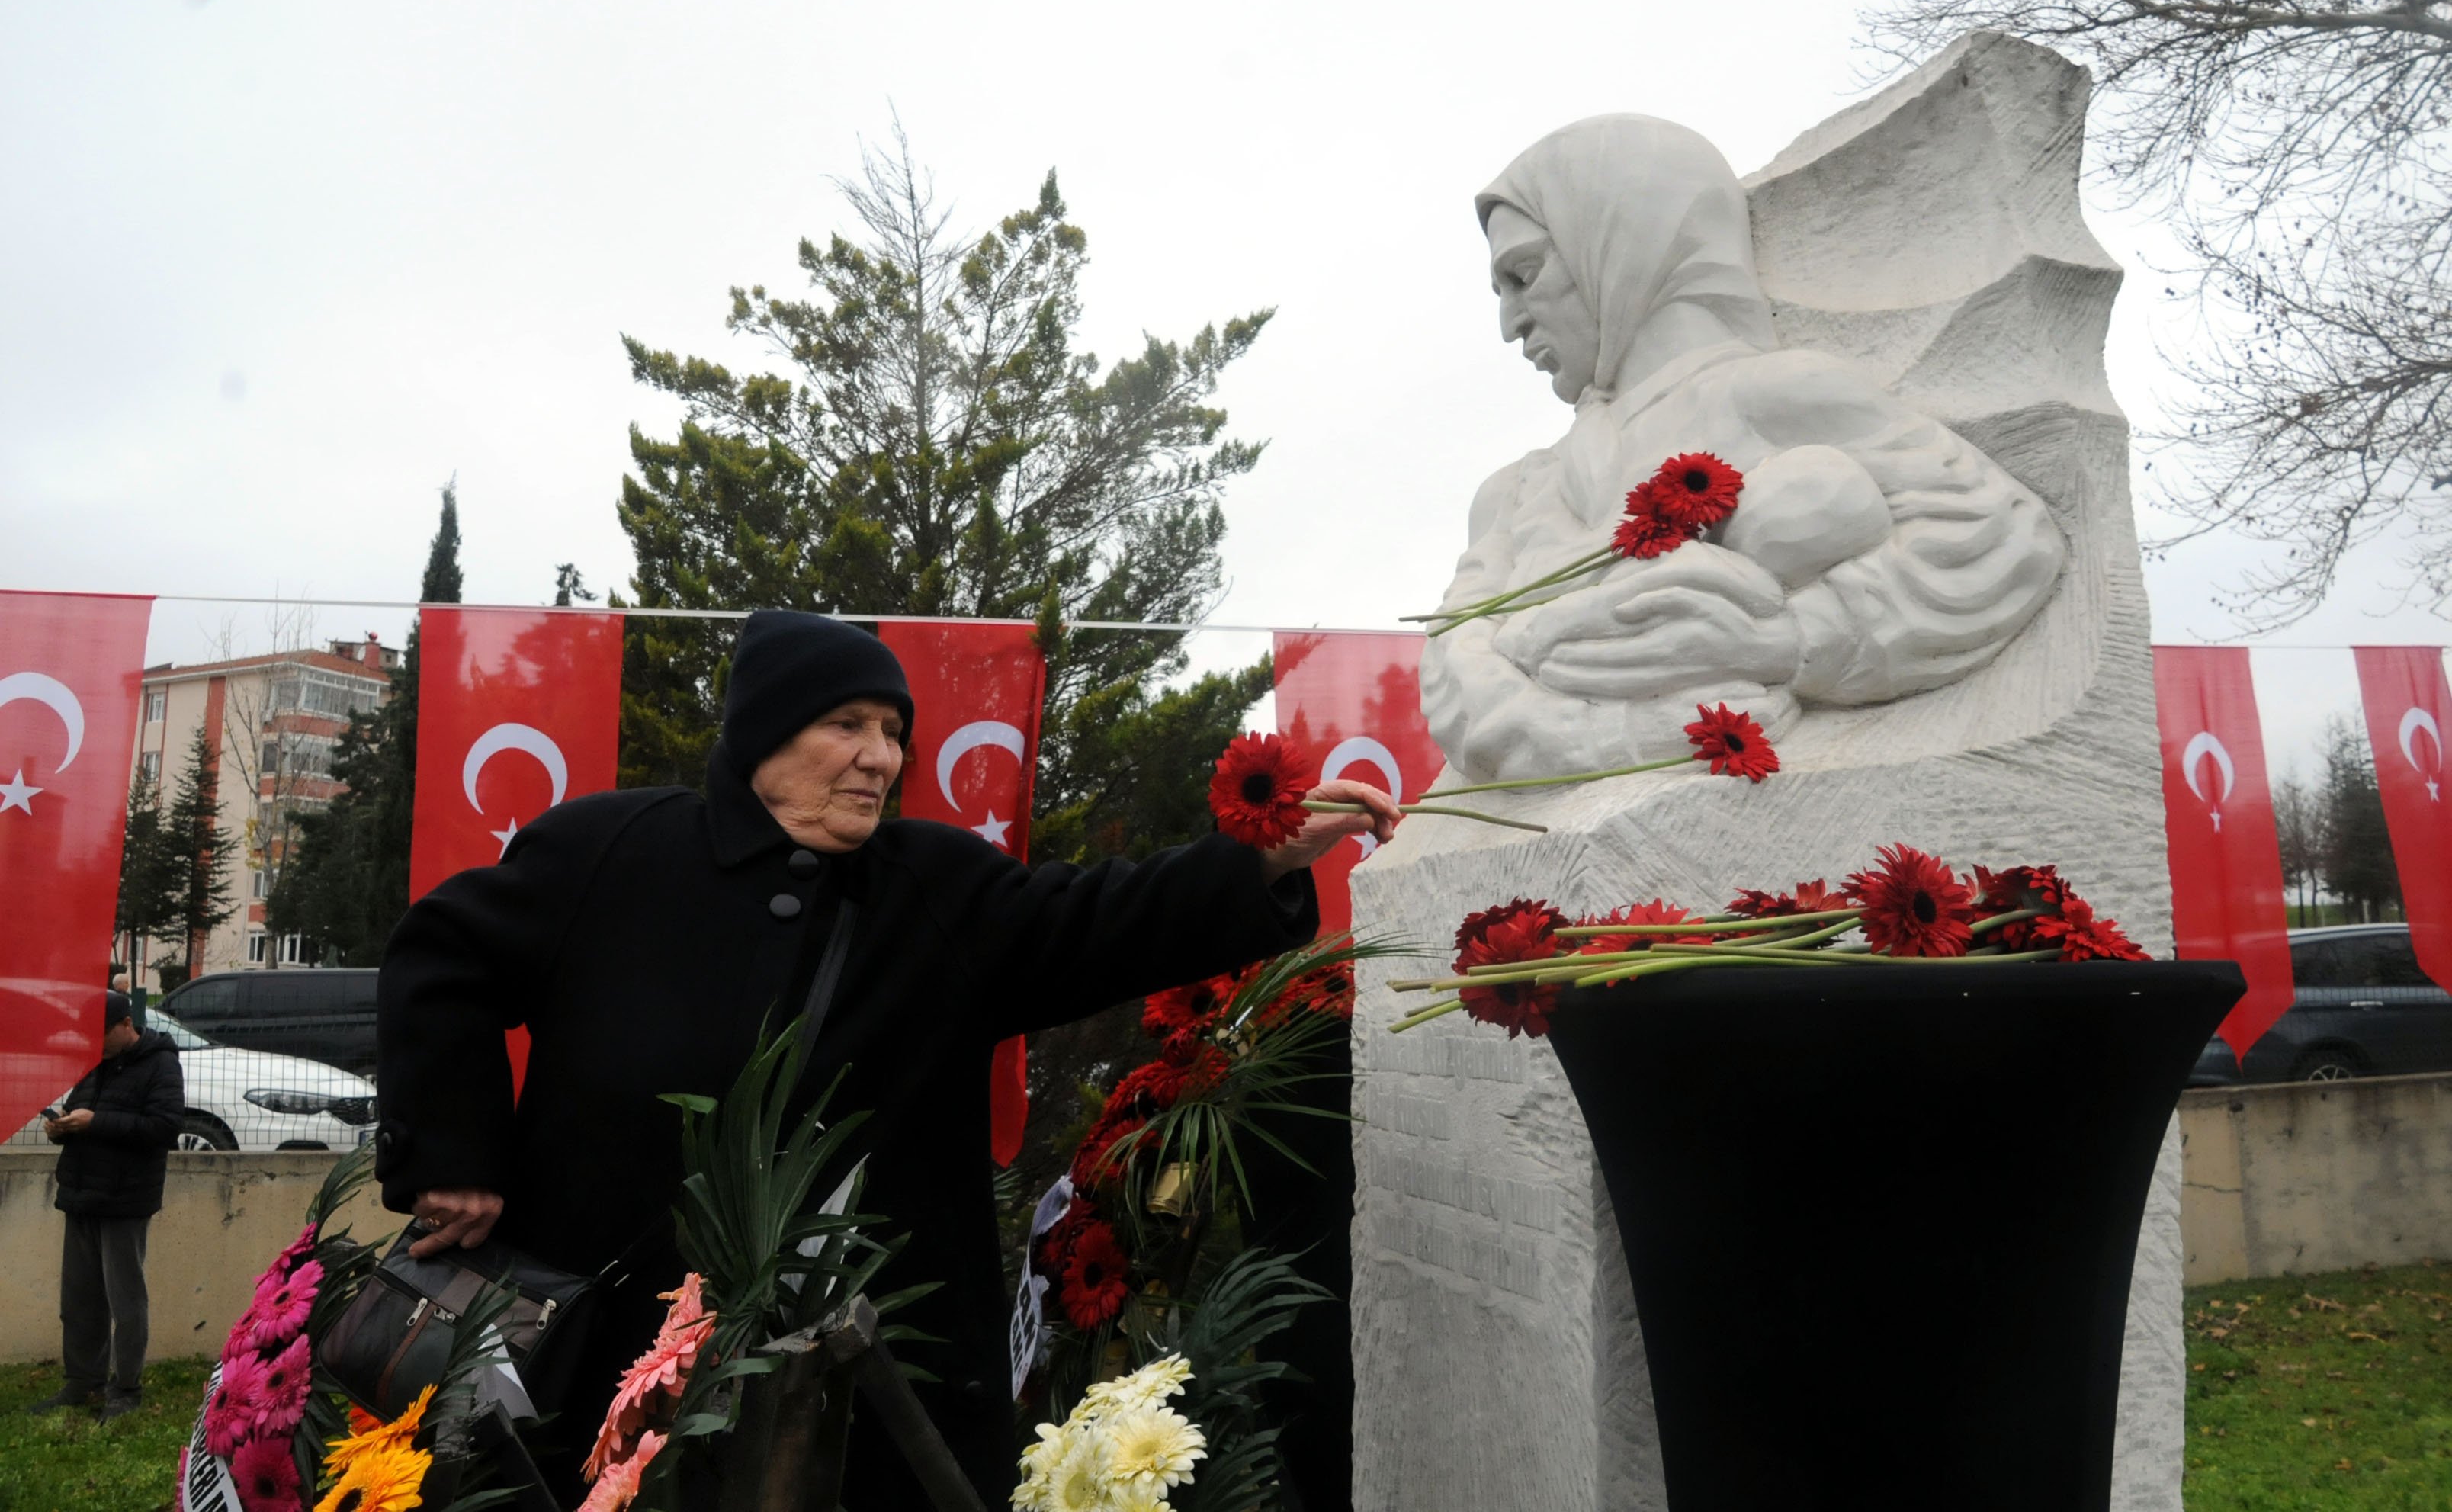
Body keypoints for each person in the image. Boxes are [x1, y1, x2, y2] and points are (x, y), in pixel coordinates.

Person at [375, 610, 1397, 1507]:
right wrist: (456, 1149)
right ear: (764, 736)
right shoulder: (610, 851)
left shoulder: (937, 890)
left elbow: (1103, 915)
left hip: (873, 1383)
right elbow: (444, 952)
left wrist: (1260, 858)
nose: (878, 756)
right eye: (846, 725)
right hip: (613, 1366)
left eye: (893, 732)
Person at [1421, 114, 2065, 782]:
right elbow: (1455, 671)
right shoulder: (1513, 495)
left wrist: (1787, 640)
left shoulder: (1779, 392)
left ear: (1621, 243)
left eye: (1524, 274)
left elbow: (2002, 542)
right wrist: (1634, 731)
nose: (1510, 323)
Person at [31, 989, 183, 1421]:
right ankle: (82, 1382)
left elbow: (166, 1127)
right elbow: (83, 1112)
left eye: (101, 1035)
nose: (94, 1045)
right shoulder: (94, 1064)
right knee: (79, 1299)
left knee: (125, 1299)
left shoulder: (161, 1063)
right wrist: (61, 1127)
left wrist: (96, 1122)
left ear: (126, 1025)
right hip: (81, 1193)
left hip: (125, 1198)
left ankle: (125, 1389)